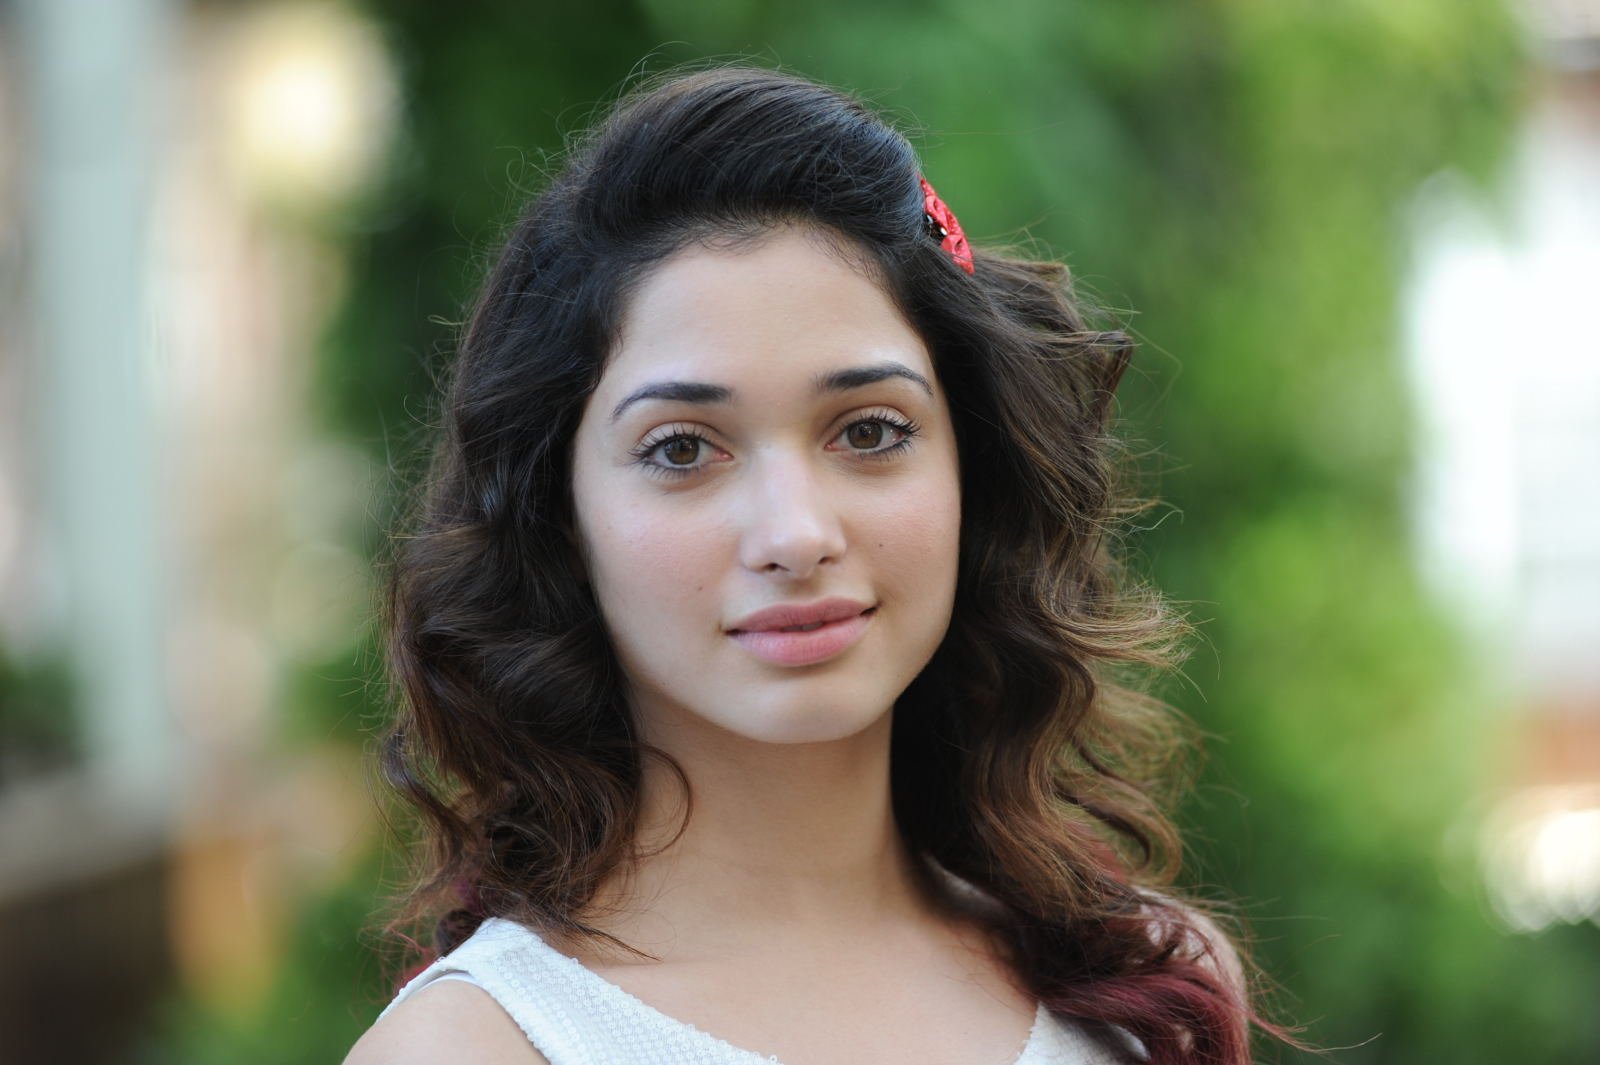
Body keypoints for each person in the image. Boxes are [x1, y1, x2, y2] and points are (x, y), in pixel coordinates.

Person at [343, 64, 1300, 1065]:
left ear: (972, 466)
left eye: (870, 431)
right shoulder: (478, 1044)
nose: (795, 533)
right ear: (559, 514)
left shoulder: (1146, 989)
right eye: (682, 448)